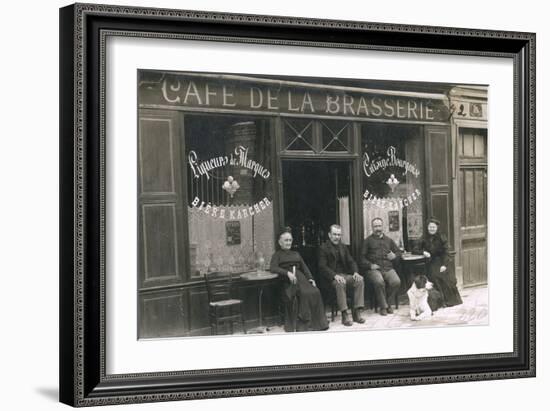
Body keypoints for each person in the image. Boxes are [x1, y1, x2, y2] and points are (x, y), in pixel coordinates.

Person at [270, 228, 329, 332]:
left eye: (290, 240)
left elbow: (304, 267)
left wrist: (311, 279)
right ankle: (304, 324)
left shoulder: (296, 254)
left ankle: (319, 323)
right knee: (304, 293)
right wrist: (287, 273)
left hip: (301, 278)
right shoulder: (277, 255)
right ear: (280, 242)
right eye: (286, 240)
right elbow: (273, 268)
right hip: (288, 282)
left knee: (315, 291)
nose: (288, 242)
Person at [318, 224, 365, 326]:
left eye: (339, 235)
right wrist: (335, 276)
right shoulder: (323, 248)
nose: (337, 237)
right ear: (329, 235)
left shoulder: (343, 247)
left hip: (344, 275)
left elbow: (351, 261)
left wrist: (356, 272)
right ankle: (344, 314)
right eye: (334, 234)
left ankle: (357, 312)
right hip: (330, 279)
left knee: (359, 280)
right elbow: (322, 267)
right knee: (340, 283)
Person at [360, 217, 402, 316]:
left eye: (379, 226)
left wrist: (395, 255)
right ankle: (383, 307)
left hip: (388, 268)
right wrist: (370, 265)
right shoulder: (367, 241)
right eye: (375, 226)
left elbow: (398, 252)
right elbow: (361, 258)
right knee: (379, 282)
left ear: (383, 226)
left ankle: (387, 303)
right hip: (374, 270)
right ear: (372, 227)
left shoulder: (389, 240)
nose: (378, 228)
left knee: (396, 282)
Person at [417, 218, 463, 307]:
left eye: (433, 227)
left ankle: (449, 301)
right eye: (430, 227)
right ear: (427, 228)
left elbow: (447, 252)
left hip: (442, 261)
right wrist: (423, 252)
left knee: (448, 278)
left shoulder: (442, 237)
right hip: (431, 262)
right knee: (435, 276)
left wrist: (444, 265)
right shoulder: (424, 238)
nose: (431, 229)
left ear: (437, 228)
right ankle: (440, 302)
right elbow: (415, 249)